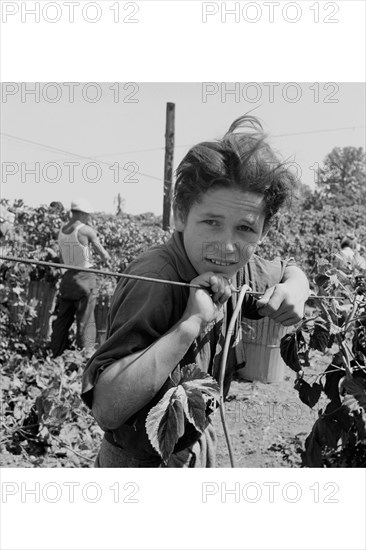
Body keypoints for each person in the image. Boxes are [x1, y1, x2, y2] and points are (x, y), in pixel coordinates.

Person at [81, 115, 310, 468]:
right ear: (181, 215)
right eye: (211, 222)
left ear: (262, 232)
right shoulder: (154, 279)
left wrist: (298, 285)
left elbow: (286, 268)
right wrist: (189, 324)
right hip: (141, 462)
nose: (228, 246)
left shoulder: (239, 267)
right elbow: (107, 409)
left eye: (246, 228)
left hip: (197, 439)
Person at [50, 198, 111, 358]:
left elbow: (63, 260)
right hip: (85, 278)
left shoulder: (62, 230)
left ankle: (56, 354)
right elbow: (104, 255)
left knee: (63, 320)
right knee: (86, 320)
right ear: (83, 214)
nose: (89, 218)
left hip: (68, 279)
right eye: (88, 215)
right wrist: (103, 260)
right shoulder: (86, 230)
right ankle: (84, 357)